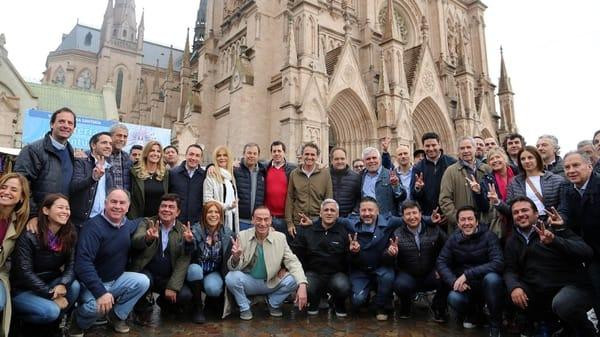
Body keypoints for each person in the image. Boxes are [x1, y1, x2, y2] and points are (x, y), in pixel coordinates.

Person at [504, 196, 597, 337]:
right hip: (539, 290)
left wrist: (555, 240)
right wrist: (514, 287)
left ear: (536, 214)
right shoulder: (512, 241)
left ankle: (589, 330)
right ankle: (542, 327)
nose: (520, 214)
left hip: (570, 286)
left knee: (563, 303)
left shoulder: (556, 228)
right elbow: (510, 269)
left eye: (524, 210)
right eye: (516, 212)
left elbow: (586, 252)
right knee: (506, 289)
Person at [71, 189, 150, 336]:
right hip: (92, 283)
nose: (117, 206)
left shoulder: (126, 224)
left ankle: (116, 317)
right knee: (95, 308)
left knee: (143, 281)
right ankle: (77, 321)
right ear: (105, 203)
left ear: (128, 207)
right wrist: (101, 293)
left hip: (116, 279)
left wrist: (148, 226)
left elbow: (140, 221)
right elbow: (83, 263)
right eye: (113, 202)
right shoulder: (93, 227)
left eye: (122, 203)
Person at [11, 194, 79, 334]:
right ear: (46, 211)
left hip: (50, 283)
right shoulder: (29, 235)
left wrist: (63, 284)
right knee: (51, 310)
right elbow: (24, 272)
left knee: (75, 286)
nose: (65, 211)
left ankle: (53, 326)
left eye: (67, 208)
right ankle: (21, 324)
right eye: (60, 207)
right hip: (24, 289)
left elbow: (71, 265)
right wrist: (51, 294)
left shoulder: (68, 234)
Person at [225, 206, 307, 320]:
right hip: (250, 281)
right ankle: (244, 307)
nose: (262, 223)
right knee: (231, 277)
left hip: (272, 281)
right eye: (258, 219)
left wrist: (302, 284)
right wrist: (235, 258)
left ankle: (273, 303)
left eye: (266, 219)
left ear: (271, 220)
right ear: (253, 220)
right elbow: (233, 267)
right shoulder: (242, 235)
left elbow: (293, 262)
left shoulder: (280, 238)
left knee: (295, 278)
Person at [436, 206, 504, 337]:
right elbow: (441, 262)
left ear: (477, 221)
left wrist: (467, 274)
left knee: (493, 279)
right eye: (463, 220)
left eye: (470, 219)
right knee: (453, 297)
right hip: (466, 287)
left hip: (486, 283)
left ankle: (496, 324)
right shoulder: (453, 239)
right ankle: (474, 314)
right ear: (458, 223)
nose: (467, 223)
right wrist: (453, 281)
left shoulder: (489, 236)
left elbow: (498, 262)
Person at [130, 194, 194, 321]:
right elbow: (135, 242)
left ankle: (164, 303)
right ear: (159, 208)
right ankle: (141, 308)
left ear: (178, 212)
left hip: (167, 277)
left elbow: (184, 260)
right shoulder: (147, 222)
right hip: (146, 273)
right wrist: (147, 238)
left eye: (171, 207)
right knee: (143, 281)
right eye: (163, 206)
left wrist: (173, 287)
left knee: (185, 295)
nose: (166, 209)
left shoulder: (183, 230)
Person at [345, 197, 405, 321]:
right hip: (360, 270)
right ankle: (366, 297)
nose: (367, 214)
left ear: (377, 211)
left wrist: (430, 220)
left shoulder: (389, 222)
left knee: (387, 277)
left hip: (381, 267)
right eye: (364, 210)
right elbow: (331, 218)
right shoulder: (351, 223)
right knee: (357, 301)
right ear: (359, 212)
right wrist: (312, 222)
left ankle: (380, 305)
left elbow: (409, 219)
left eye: (370, 210)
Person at [290, 199, 351, 317]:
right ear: (320, 213)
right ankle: (314, 301)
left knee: (343, 285)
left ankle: (338, 303)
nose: (329, 213)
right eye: (326, 210)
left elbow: (349, 258)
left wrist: (353, 252)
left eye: (332, 210)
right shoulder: (308, 230)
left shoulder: (344, 232)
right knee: (307, 284)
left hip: (336, 274)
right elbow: (296, 253)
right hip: (313, 273)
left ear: (337, 215)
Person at [388, 200, 448, 322]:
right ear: (403, 217)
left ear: (421, 214)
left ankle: (438, 307)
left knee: (446, 277)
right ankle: (406, 305)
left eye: (414, 213)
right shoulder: (397, 233)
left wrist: (440, 268)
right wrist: (390, 253)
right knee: (400, 285)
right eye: (408, 214)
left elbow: (447, 250)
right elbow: (387, 256)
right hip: (408, 274)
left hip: (430, 272)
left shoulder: (434, 229)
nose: (412, 217)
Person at [561, 151, 600, 325]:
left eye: (576, 165)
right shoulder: (569, 190)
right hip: (588, 254)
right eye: (567, 167)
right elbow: (567, 214)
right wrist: (561, 221)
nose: (571, 170)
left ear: (589, 166)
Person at [14, 107, 76, 214]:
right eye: (61, 121)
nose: (66, 126)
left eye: (70, 123)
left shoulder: (71, 153)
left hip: (59, 217)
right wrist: (33, 215)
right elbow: (22, 185)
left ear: (74, 128)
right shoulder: (33, 150)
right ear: (52, 124)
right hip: (37, 218)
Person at [186, 201, 233, 323]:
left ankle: (210, 302)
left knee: (214, 288)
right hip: (196, 270)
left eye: (216, 212)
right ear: (204, 215)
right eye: (210, 212)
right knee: (194, 269)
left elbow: (229, 258)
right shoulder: (195, 230)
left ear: (221, 215)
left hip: (213, 271)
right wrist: (189, 242)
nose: (213, 215)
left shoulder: (227, 233)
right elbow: (187, 252)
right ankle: (198, 307)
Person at [497, 146, 565, 220]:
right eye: (523, 159)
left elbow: (564, 207)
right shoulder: (514, 182)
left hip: (550, 224)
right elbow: (510, 209)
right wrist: (497, 202)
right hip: (524, 226)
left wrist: (557, 218)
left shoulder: (556, 180)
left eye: (530, 157)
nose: (526, 161)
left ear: (537, 159)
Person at [0, 173, 30, 336]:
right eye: (3, 187)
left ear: (20, 198)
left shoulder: (18, 223)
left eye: (13, 189)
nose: (6, 192)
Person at [439, 137, 491, 231]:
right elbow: (445, 200)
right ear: (458, 151)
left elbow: (492, 198)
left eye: (468, 147)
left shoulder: (486, 169)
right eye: (462, 148)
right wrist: (460, 220)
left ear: (475, 149)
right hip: (460, 228)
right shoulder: (450, 171)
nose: (465, 151)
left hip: (485, 225)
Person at [285, 142, 333, 239]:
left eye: (312, 155)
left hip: (317, 222)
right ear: (302, 155)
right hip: (298, 222)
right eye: (306, 154)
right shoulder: (294, 174)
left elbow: (328, 199)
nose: (309, 157)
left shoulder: (325, 174)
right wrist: (290, 223)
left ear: (317, 156)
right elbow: (290, 198)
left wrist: (321, 221)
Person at [69, 132, 116, 227]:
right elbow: (74, 186)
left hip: (103, 221)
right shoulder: (81, 162)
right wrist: (93, 178)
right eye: (104, 143)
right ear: (93, 145)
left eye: (110, 144)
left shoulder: (110, 168)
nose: (108, 146)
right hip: (82, 222)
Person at [410, 132, 457, 216]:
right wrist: (418, 189)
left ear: (439, 144)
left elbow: (457, 190)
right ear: (423, 147)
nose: (431, 149)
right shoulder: (418, 168)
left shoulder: (452, 163)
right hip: (428, 217)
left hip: (449, 215)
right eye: (427, 146)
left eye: (434, 145)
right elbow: (413, 196)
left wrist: (450, 214)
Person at [481, 148, 516, 239]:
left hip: (519, 216)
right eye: (491, 159)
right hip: (500, 223)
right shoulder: (486, 180)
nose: (495, 160)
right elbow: (484, 206)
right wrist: (478, 192)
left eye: (498, 157)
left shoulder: (518, 173)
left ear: (505, 158)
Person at [129, 141, 169, 219]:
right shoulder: (135, 172)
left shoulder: (165, 174)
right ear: (146, 153)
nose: (155, 153)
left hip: (160, 220)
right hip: (139, 219)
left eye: (158, 151)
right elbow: (132, 199)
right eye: (152, 150)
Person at [360, 147, 406, 216]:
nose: (372, 161)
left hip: (387, 221)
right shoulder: (360, 176)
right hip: (367, 219)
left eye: (374, 158)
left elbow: (402, 197)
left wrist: (396, 185)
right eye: (368, 159)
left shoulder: (390, 174)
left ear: (380, 160)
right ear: (363, 162)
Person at [203, 145, 239, 233]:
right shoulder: (211, 175)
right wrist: (227, 206)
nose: (222, 158)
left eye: (225, 155)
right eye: (219, 155)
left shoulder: (231, 176)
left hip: (231, 218)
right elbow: (207, 200)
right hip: (215, 219)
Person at [264, 141, 297, 235]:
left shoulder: (293, 169)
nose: (277, 153)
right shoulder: (265, 168)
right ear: (271, 153)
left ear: (284, 153)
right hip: (268, 218)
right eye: (274, 151)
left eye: (279, 151)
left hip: (285, 219)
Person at [169, 144, 206, 225]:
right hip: (175, 222)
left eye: (197, 155)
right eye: (191, 154)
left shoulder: (205, 176)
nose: (193, 158)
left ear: (201, 158)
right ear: (186, 155)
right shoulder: (173, 173)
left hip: (196, 224)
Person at [234, 143, 266, 231]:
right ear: (244, 154)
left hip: (257, 221)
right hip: (240, 220)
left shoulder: (263, 171)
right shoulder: (235, 170)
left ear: (258, 156)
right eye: (249, 153)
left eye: (254, 154)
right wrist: (211, 166)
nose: (251, 156)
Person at [329, 147, 361, 217]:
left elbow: (359, 197)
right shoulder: (325, 175)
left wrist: (354, 212)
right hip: (329, 217)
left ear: (346, 159)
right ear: (331, 160)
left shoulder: (356, 177)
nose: (340, 161)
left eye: (342, 158)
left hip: (348, 219)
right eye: (336, 159)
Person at [108, 124, 133, 191]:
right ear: (110, 136)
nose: (122, 139)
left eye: (125, 137)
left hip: (121, 199)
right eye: (119, 135)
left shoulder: (128, 159)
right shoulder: (100, 155)